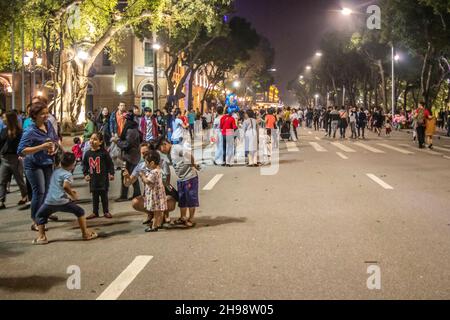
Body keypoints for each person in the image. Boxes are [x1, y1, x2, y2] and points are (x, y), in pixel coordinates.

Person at [32, 152, 98, 245]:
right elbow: (65, 186)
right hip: (62, 202)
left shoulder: (56, 171)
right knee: (80, 212)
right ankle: (85, 234)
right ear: (73, 164)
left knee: (40, 215)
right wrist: (72, 195)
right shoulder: (68, 174)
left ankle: (42, 237)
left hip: (50, 201)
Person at [17, 100, 60, 231]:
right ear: (34, 115)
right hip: (33, 164)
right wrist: (41, 147)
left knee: (47, 191)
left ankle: (44, 214)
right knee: (39, 192)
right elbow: (21, 150)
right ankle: (36, 221)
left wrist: (54, 149)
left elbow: (54, 140)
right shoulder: (30, 130)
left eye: (47, 113)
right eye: (42, 114)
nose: (46, 116)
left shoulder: (48, 125)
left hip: (47, 162)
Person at [123, 142, 176, 226]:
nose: (144, 156)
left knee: (171, 202)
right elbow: (127, 183)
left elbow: (167, 183)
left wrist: (154, 175)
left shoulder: (162, 163)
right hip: (150, 195)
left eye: (146, 153)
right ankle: (151, 214)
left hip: (161, 194)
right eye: (143, 153)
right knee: (135, 202)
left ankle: (164, 214)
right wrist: (126, 177)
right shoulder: (140, 166)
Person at [154, 137, 199, 228]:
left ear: (164, 144)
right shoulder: (168, 154)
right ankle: (183, 218)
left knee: (190, 199)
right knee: (182, 200)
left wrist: (193, 165)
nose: (161, 151)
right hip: (181, 179)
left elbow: (188, 154)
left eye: (160, 149)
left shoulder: (176, 148)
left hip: (190, 177)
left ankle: (191, 219)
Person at [83, 133, 115, 219]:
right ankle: (95, 212)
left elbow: (110, 164)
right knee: (95, 197)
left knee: (104, 196)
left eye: (95, 139)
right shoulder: (87, 154)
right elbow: (85, 165)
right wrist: (86, 174)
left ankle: (106, 211)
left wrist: (111, 173)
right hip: (93, 180)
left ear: (100, 142)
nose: (92, 141)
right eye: (91, 139)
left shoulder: (104, 153)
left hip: (103, 179)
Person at [0, 112, 28, 209]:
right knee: (2, 180)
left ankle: (24, 196)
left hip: (15, 158)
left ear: (9, 119)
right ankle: (1, 200)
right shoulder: (4, 130)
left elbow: (22, 144)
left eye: (4, 118)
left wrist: (22, 154)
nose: (3, 119)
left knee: (19, 179)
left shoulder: (20, 131)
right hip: (4, 158)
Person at [137, 151, 168, 232]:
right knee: (159, 211)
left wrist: (142, 175)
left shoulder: (153, 172)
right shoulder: (159, 170)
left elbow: (147, 181)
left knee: (155, 212)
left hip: (155, 196)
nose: (145, 164)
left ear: (152, 163)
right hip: (159, 194)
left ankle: (154, 226)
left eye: (146, 162)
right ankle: (159, 223)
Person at [115, 112, 141, 202]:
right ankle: (136, 193)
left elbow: (126, 145)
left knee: (127, 175)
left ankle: (124, 195)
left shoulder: (131, 131)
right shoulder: (133, 129)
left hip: (130, 157)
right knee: (131, 174)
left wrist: (117, 141)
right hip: (131, 156)